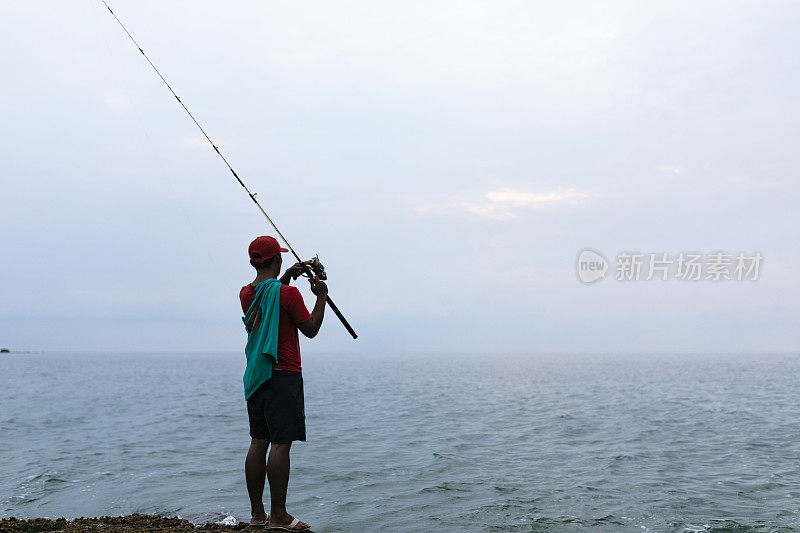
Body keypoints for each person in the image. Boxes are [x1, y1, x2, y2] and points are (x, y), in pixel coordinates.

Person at [240, 236, 327, 530]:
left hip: (256, 375)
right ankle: (278, 516)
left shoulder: (246, 293)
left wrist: (288, 276)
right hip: (283, 374)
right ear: (276, 259)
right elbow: (311, 328)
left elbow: (271, 293)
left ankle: (257, 516)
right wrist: (321, 296)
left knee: (258, 442)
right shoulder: (288, 296)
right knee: (280, 445)